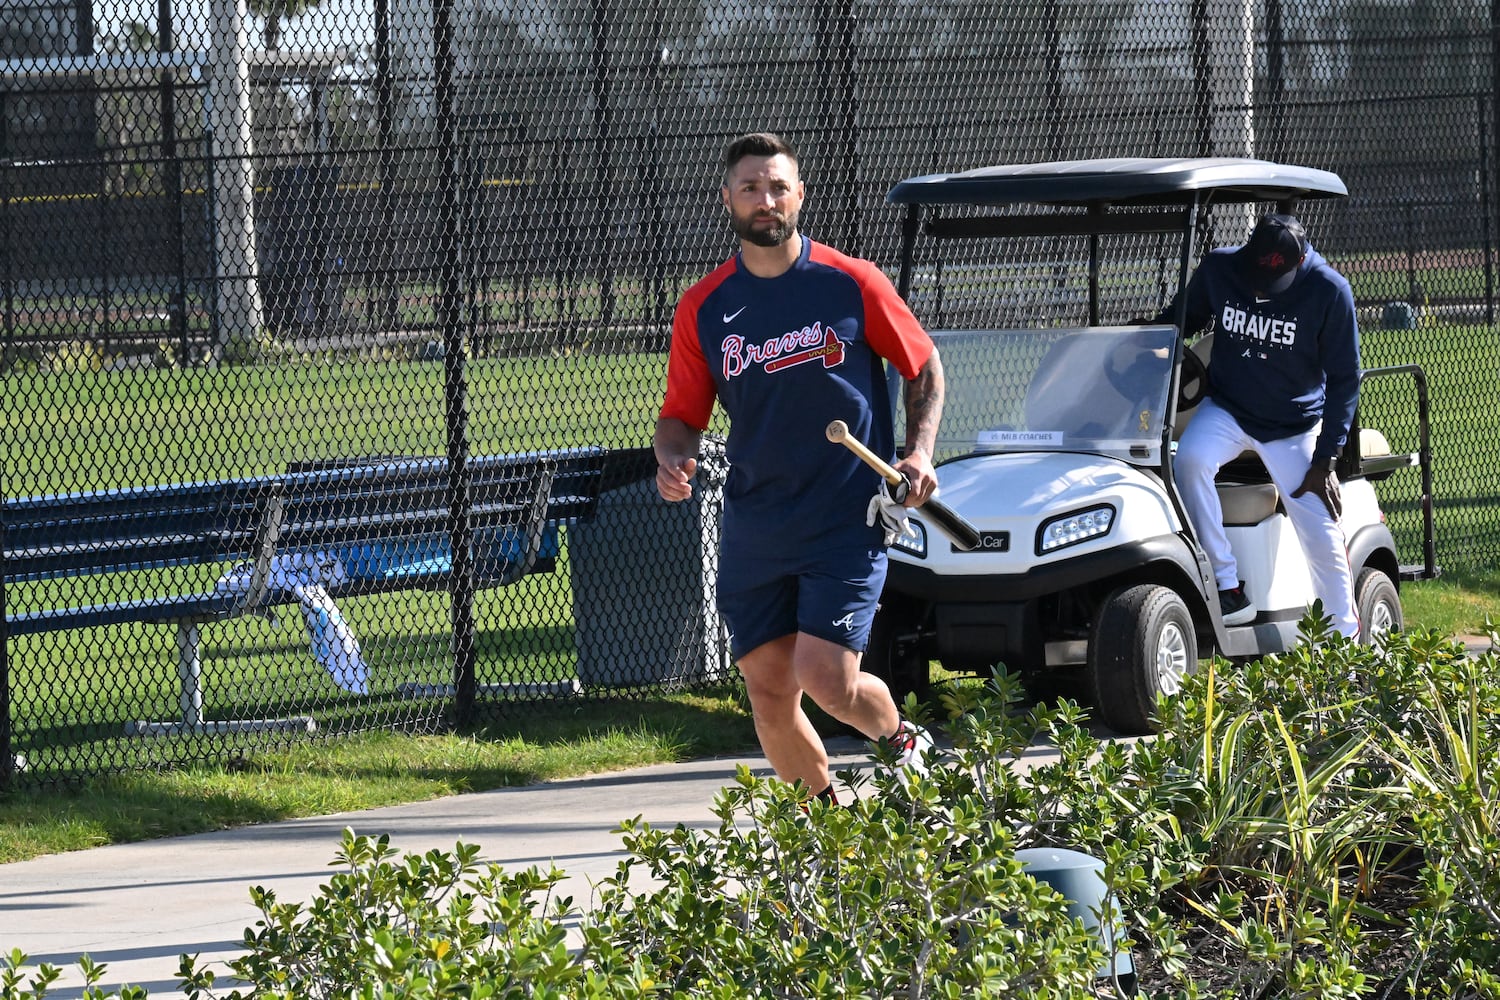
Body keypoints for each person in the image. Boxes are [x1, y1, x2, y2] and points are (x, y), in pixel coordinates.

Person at [653, 132, 946, 804]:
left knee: (825, 678)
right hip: (758, 522)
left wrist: (919, 452)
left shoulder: (851, 282)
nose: (766, 199)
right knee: (768, 688)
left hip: (848, 514)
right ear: (726, 198)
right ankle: (829, 832)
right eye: (751, 187)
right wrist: (672, 458)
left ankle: (900, 739)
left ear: (800, 195)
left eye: (778, 186)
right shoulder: (704, 307)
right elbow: (680, 418)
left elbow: (923, 365)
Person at [1156, 212, 1361, 637]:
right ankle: (1227, 586)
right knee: (1190, 462)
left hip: (1294, 425)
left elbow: (1345, 380)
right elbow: (1178, 323)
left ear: (1299, 261)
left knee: (1321, 528)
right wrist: (1135, 342)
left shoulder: (1330, 290)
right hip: (1228, 409)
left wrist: (1326, 459)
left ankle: (1347, 646)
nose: (1258, 288)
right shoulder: (1219, 267)